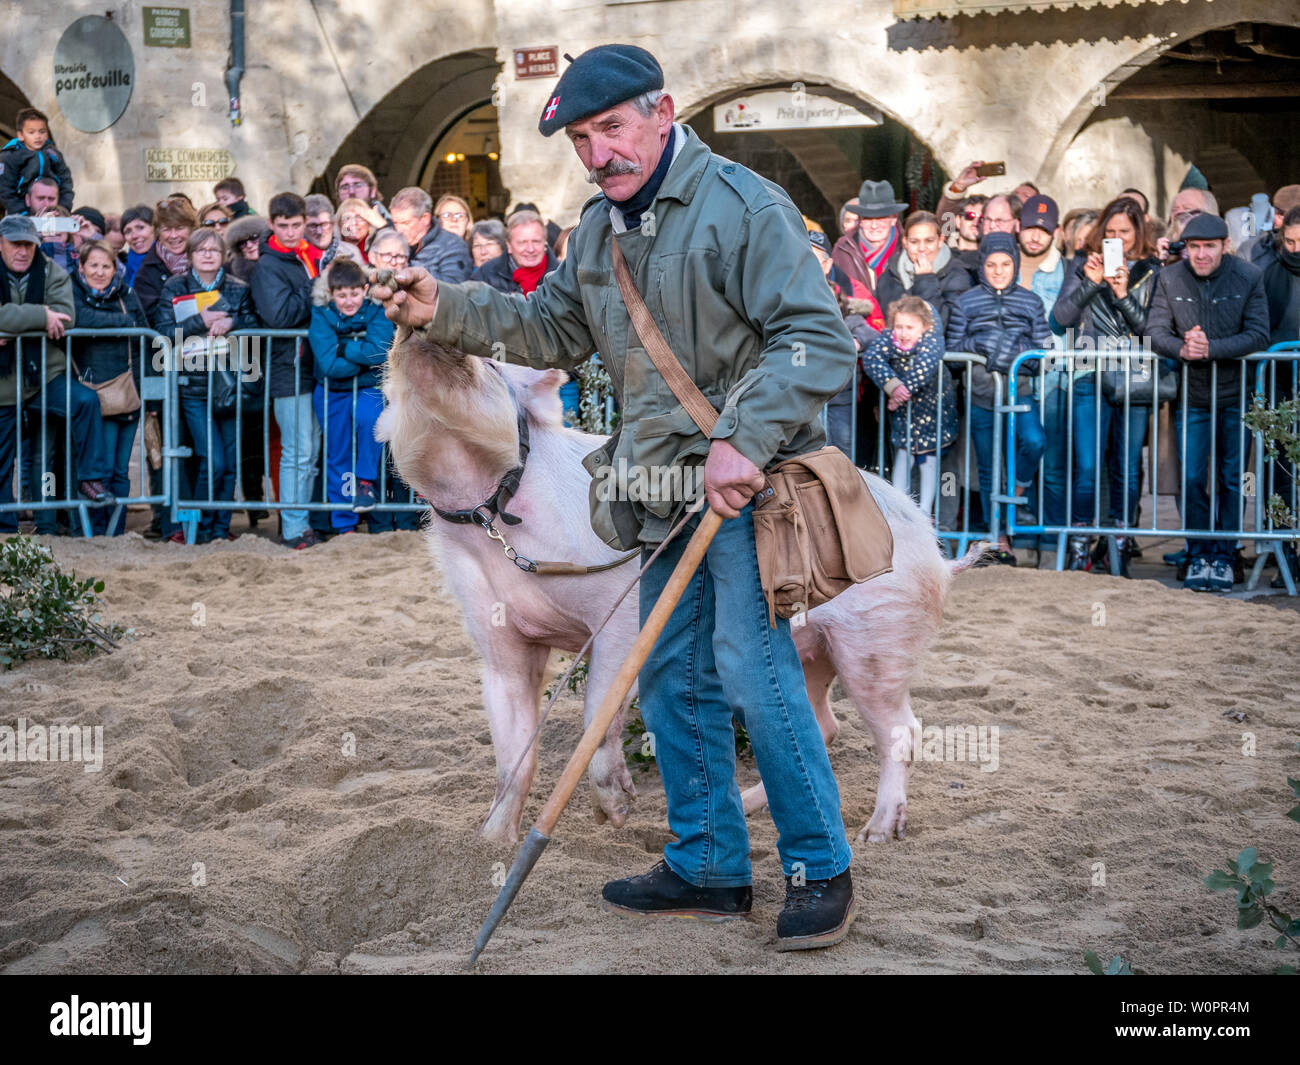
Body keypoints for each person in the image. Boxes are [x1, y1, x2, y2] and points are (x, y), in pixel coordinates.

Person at [375, 43, 858, 950]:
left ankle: (817, 866)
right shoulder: (596, 232)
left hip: (746, 486)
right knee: (672, 674)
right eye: (583, 140)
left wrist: (738, 441)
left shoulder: (745, 207)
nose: (600, 153)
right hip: (657, 493)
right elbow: (547, 326)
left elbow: (817, 341)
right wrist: (444, 304)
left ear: (662, 113)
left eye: (613, 128)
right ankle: (710, 863)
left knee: (754, 668)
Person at [1147, 213, 1270, 593]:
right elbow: (1153, 332)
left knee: (1233, 479)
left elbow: (1259, 333)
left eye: (1209, 247)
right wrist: (1183, 348)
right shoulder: (1169, 277)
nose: (1201, 255)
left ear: (1225, 246)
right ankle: (1199, 552)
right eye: (1195, 247)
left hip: (1237, 396)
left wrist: (1211, 349)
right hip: (1193, 397)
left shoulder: (1248, 276)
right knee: (1193, 477)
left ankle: (1226, 554)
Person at [1052, 196, 1163, 573]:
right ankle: (1081, 545)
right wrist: (1090, 283)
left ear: (1138, 234)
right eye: (1111, 232)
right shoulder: (1084, 265)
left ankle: (1118, 543)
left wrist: (1120, 293)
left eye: (1124, 233)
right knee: (1087, 465)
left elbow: (1151, 328)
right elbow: (1060, 320)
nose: (1117, 239)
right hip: (1088, 371)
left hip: (1133, 377)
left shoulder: (1152, 270)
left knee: (1128, 466)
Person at [0, 215, 111, 535]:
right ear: (2, 244)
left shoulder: (51, 270)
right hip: (4, 384)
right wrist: (41, 316)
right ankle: (6, 530)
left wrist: (14, 324)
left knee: (85, 401)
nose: (23, 251)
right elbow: (51, 315)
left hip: (44, 376)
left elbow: (67, 316)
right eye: (16, 245)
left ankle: (90, 478)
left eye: (29, 245)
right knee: (2, 462)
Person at [947, 232, 1050, 562]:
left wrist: (1017, 354)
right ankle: (999, 537)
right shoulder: (967, 301)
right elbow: (952, 347)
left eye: (1006, 264)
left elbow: (1044, 348)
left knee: (1034, 441)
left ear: (1015, 265)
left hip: (1018, 393)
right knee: (989, 469)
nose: (998, 270)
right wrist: (979, 347)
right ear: (982, 266)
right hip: (981, 396)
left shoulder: (1030, 302)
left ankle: (1016, 494)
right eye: (991, 264)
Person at [153, 228, 257, 544]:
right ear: (190, 255)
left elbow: (257, 324)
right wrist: (202, 320)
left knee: (229, 465)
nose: (208, 254)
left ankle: (218, 528)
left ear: (223, 254)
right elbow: (161, 331)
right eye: (201, 250)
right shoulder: (175, 286)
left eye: (214, 249)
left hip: (229, 382)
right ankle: (195, 526)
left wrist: (233, 324)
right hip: (193, 385)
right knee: (211, 460)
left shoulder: (238, 288)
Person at [249, 192, 323, 549]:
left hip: (311, 363)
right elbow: (278, 316)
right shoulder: (268, 266)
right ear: (271, 224)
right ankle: (294, 525)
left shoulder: (308, 257)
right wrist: (316, 288)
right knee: (298, 449)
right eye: (284, 226)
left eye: (296, 225)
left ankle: (301, 520)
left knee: (309, 448)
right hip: (287, 366)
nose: (292, 232)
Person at [308, 258, 396, 533]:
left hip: (370, 387)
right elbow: (328, 365)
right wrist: (362, 357)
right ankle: (343, 522)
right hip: (331, 390)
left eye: (354, 293)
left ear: (364, 290)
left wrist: (344, 348)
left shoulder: (375, 309)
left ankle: (366, 481)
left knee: (370, 421)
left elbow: (380, 352)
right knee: (338, 452)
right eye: (341, 295)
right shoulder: (322, 313)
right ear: (331, 294)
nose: (348, 301)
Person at [69, 240, 148, 535]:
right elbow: (78, 317)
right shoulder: (71, 291)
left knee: (119, 470)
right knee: (95, 471)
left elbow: (145, 335)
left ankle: (115, 531)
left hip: (127, 391)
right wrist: (121, 321)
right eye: (94, 265)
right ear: (81, 266)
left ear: (115, 269)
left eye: (106, 266)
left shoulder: (127, 294)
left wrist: (144, 391)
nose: (100, 272)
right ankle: (92, 531)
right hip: (89, 392)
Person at [860, 296, 955, 516]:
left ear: (924, 327)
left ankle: (924, 510)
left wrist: (903, 392)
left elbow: (925, 365)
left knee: (928, 460)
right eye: (899, 326)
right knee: (903, 455)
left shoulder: (931, 342)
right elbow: (872, 358)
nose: (903, 333)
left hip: (932, 412)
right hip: (904, 414)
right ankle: (898, 506)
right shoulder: (890, 340)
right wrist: (893, 387)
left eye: (910, 327)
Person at [1260, 205, 1300, 587]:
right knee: (1282, 473)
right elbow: (1260, 328)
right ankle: (1286, 552)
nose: (1295, 249)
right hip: (1280, 389)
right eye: (1289, 241)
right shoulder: (1270, 275)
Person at [875, 209, 973, 332]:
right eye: (914, 242)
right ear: (905, 242)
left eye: (929, 241)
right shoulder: (889, 276)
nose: (922, 248)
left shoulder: (957, 275)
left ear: (940, 241)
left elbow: (943, 325)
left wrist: (925, 280)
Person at [832, 179, 905, 301]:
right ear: (860, 220)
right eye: (868, 218)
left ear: (894, 219)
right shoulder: (842, 250)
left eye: (881, 218)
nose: (874, 226)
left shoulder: (908, 248)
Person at [132, 197, 197, 319]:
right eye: (166, 229)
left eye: (180, 228)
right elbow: (152, 316)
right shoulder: (147, 271)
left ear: (191, 229)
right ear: (158, 232)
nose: (173, 235)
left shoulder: (207, 258)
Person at [0, 108, 74, 215]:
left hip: (52, 211)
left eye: (42, 132)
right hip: (19, 213)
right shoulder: (10, 156)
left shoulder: (53, 153)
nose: (38, 136)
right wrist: (21, 213)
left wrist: (63, 207)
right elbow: (4, 189)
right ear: (20, 135)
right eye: (31, 132)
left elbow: (65, 181)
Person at [390, 187, 472, 282]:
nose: (399, 229)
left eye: (406, 223)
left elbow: (454, 288)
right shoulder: (391, 241)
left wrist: (410, 271)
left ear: (425, 218)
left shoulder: (453, 245)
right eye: (395, 223)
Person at [470, 210, 557, 294]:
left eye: (536, 241)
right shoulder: (485, 275)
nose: (530, 249)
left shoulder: (563, 274)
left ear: (545, 242)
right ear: (509, 245)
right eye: (522, 242)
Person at [304, 193, 363, 270]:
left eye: (324, 224)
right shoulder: (295, 257)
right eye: (313, 226)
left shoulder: (351, 253)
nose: (319, 231)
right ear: (303, 227)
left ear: (333, 224)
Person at [335, 198, 385, 264]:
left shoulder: (380, 246)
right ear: (340, 225)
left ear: (369, 223)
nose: (354, 223)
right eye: (347, 218)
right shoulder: (330, 251)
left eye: (359, 217)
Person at [224, 214, 270, 284]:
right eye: (242, 243)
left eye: (253, 238)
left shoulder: (283, 259)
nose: (249, 245)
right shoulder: (230, 272)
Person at [119, 205, 155, 288]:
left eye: (140, 228)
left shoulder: (169, 260)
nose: (134, 236)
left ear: (154, 228)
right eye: (128, 232)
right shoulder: (123, 269)